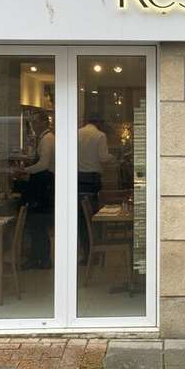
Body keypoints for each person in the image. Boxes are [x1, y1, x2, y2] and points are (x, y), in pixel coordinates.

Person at [15, 111, 55, 270]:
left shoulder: (47, 140)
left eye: (36, 122)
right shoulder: (46, 139)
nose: (34, 126)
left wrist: (25, 171)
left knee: (38, 223)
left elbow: (43, 164)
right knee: (38, 224)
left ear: (44, 123)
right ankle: (39, 257)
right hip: (43, 184)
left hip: (43, 185)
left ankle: (41, 258)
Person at [77, 112, 113, 262]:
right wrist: (114, 157)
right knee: (94, 217)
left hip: (78, 178)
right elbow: (103, 157)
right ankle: (94, 251)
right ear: (99, 123)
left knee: (81, 217)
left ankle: (85, 252)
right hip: (92, 180)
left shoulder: (76, 133)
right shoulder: (100, 136)